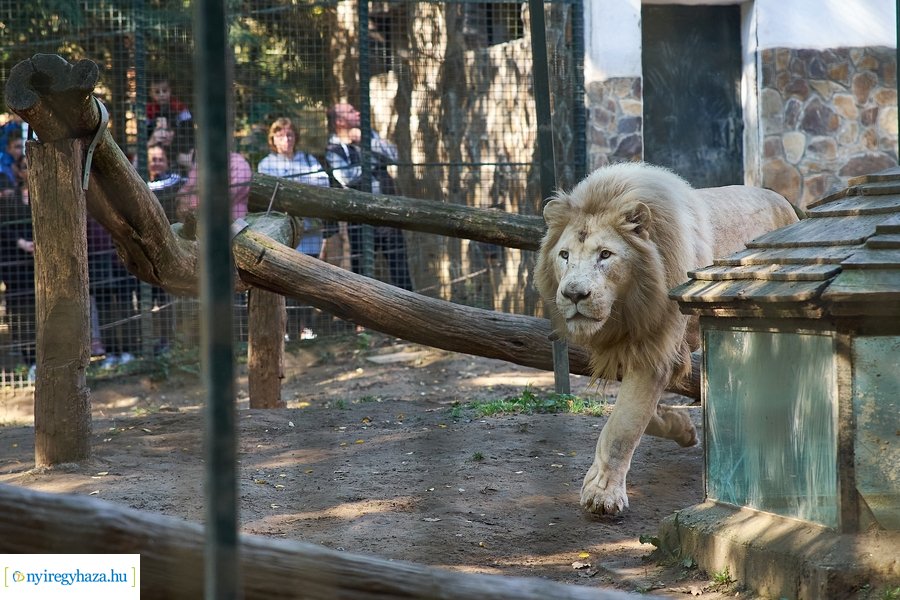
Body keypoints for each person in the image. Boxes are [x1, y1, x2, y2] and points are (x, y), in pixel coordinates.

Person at [325, 102, 413, 291]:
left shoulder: (367, 134)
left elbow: (393, 155)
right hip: (360, 218)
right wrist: (373, 163)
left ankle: (411, 313)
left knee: (400, 269)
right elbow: (347, 178)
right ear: (340, 121)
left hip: (388, 215)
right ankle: (361, 319)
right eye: (350, 111)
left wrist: (366, 141)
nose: (357, 111)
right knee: (362, 273)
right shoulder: (333, 149)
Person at [258, 117, 331, 340]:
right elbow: (268, 193)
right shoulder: (266, 164)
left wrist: (291, 187)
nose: (286, 139)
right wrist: (302, 187)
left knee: (308, 279)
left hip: (309, 232)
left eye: (290, 135)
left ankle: (306, 328)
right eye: (281, 135)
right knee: (285, 280)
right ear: (273, 139)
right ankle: (286, 330)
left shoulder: (308, 160)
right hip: (281, 232)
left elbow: (324, 182)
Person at [0, 182, 36, 380]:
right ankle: (29, 361)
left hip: (32, 272)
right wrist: (20, 243)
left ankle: (37, 361)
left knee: (35, 316)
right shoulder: (8, 209)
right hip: (13, 276)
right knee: (19, 319)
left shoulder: (29, 208)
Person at [176, 150, 252, 223]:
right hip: (195, 223)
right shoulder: (203, 163)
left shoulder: (238, 163)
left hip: (230, 223)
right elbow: (184, 189)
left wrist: (196, 205)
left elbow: (228, 196)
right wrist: (182, 201)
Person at [147, 142, 185, 223]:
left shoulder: (174, 178)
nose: (157, 163)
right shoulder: (143, 178)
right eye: (153, 160)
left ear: (167, 163)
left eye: (161, 160)